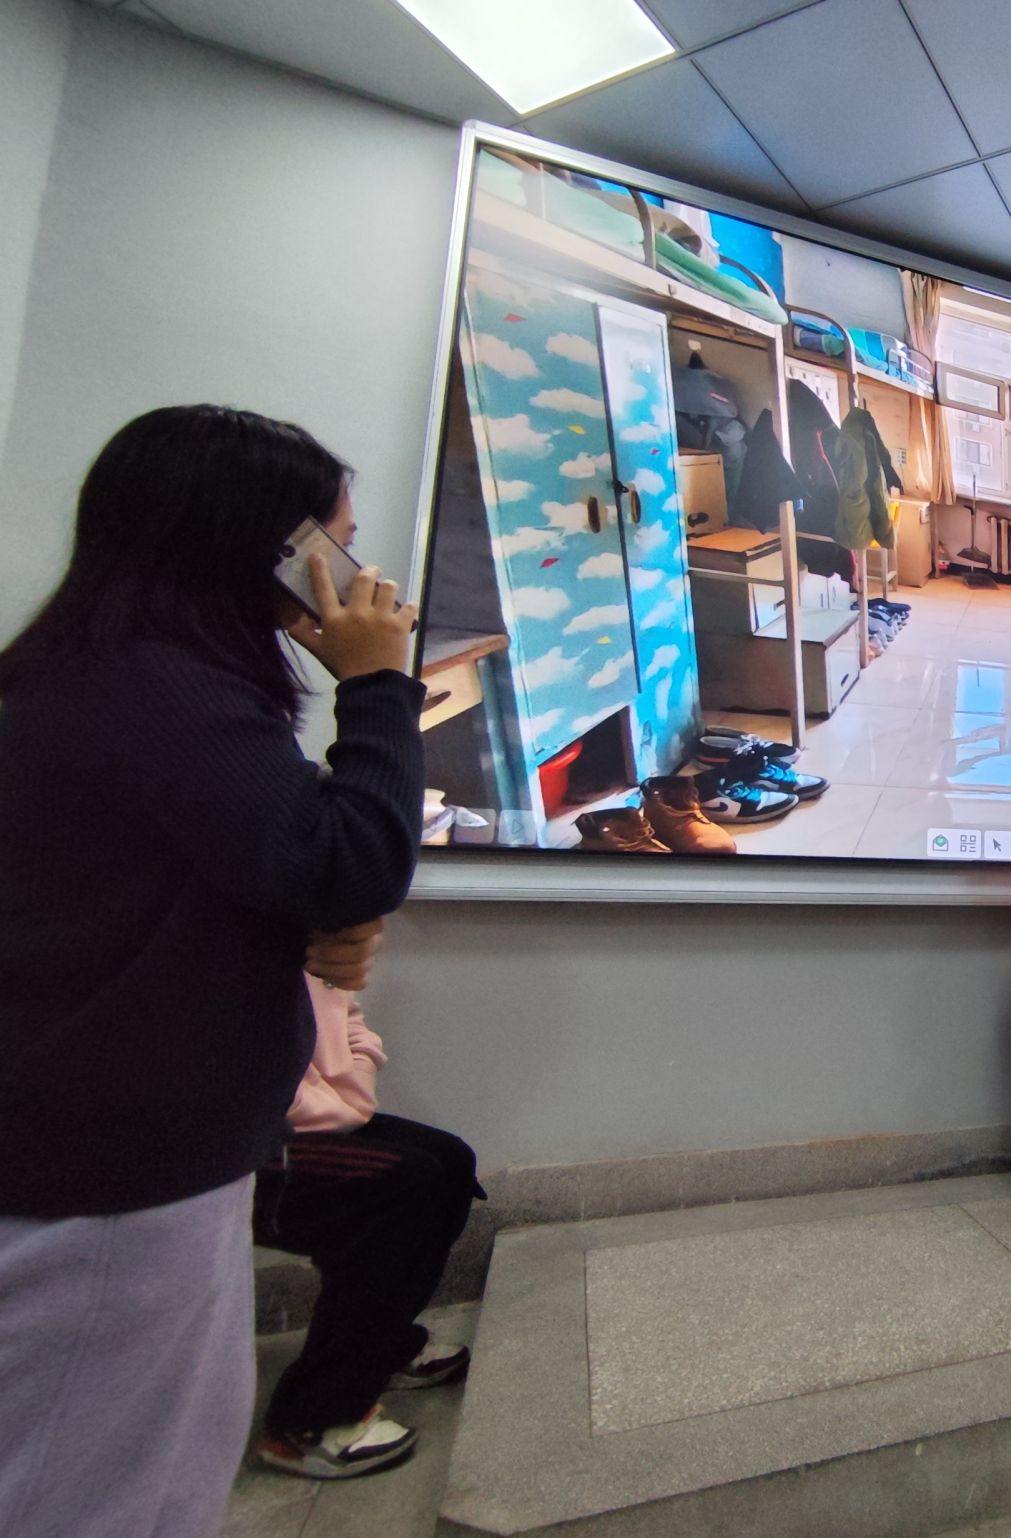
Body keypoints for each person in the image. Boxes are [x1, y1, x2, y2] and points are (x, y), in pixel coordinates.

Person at [0, 406, 425, 1538]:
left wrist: (317, 932)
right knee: (107, 1491)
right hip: (112, 1167)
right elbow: (347, 858)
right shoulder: (155, 687)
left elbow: (250, 869)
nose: (355, 577)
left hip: (117, 1147)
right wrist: (379, 685)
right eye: (335, 546)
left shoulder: (110, 675)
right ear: (267, 548)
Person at [251, 972, 484, 1479]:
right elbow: (249, 1076)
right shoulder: (242, 948)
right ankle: (309, 1421)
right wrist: (341, 1108)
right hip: (240, 1146)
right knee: (401, 1186)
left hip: (316, 1115)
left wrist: (352, 1090)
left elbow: (350, 1025)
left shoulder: (317, 947)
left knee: (450, 1161)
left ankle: (377, 1349)